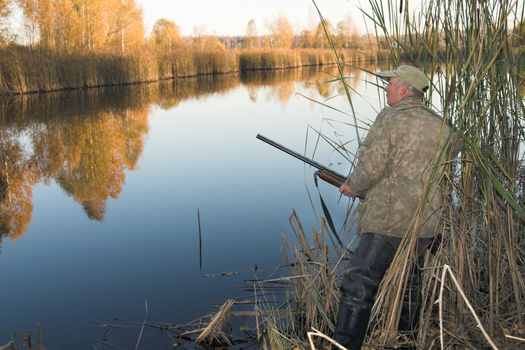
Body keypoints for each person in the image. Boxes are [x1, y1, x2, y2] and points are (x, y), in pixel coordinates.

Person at [332, 65, 454, 349]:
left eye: (390, 83)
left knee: (357, 283)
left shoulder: (390, 118)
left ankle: (344, 345)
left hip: (388, 219)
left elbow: (372, 167)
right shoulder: (442, 126)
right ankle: (406, 341)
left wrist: (353, 185)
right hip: (424, 223)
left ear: (404, 88)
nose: (385, 87)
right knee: (409, 281)